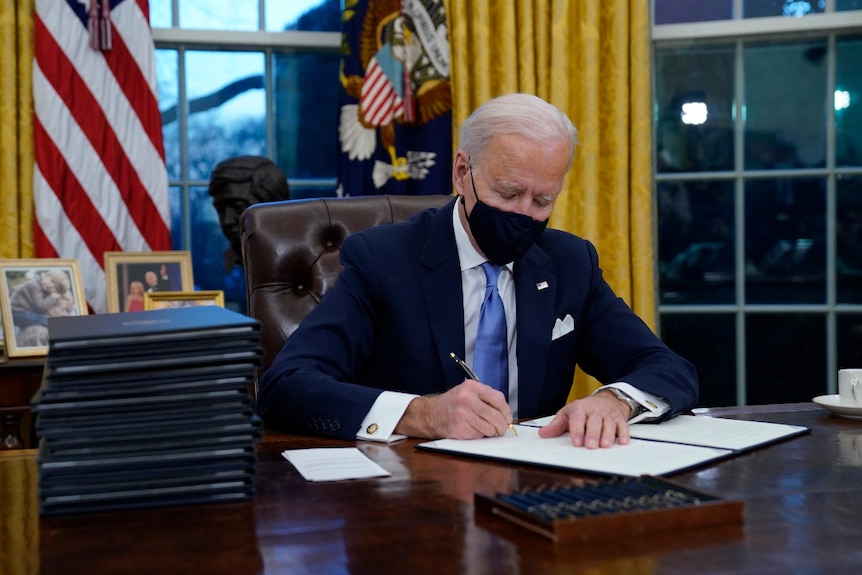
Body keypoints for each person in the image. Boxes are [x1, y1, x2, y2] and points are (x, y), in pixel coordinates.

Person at [257, 93, 699, 449]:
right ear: (462, 172)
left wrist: (615, 400)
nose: (524, 214)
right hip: (412, 494)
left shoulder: (569, 263)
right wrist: (421, 414)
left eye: (542, 200)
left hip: (535, 486)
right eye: (508, 193)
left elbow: (667, 367)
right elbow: (286, 386)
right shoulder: (382, 260)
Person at [207, 156, 290, 314]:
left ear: (273, 208)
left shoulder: (304, 263)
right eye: (220, 210)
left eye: (238, 208)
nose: (227, 220)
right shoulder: (213, 270)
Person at [9, 269, 75, 347]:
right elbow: (41, 306)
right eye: (64, 310)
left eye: (55, 288)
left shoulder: (42, 287)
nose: (51, 286)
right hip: (18, 313)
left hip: (21, 314)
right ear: (45, 275)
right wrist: (53, 297)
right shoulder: (34, 286)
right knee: (45, 320)